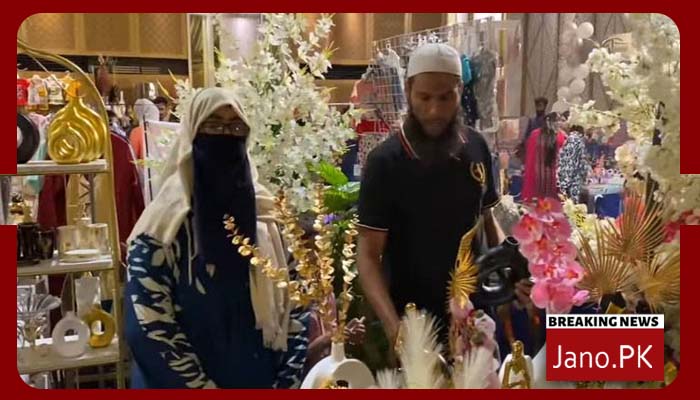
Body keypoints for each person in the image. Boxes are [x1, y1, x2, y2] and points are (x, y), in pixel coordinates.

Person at [124, 88, 308, 388]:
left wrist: (286, 383)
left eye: (235, 128)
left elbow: (297, 307)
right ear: (191, 135)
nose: (225, 136)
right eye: (213, 126)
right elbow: (148, 327)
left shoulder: (269, 221)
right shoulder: (162, 229)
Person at [356, 43, 531, 351]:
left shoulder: (476, 147)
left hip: (475, 317)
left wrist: (508, 276)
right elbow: (368, 257)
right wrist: (394, 329)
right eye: (424, 98)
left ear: (459, 91)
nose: (434, 111)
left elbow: (487, 220)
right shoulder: (384, 162)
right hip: (413, 322)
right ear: (408, 90)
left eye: (445, 97)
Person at [522, 112, 568, 201]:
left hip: (536, 178)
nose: (560, 123)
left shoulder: (535, 134)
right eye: (559, 121)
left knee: (537, 204)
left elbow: (529, 158)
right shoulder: (562, 136)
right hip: (553, 180)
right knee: (552, 204)